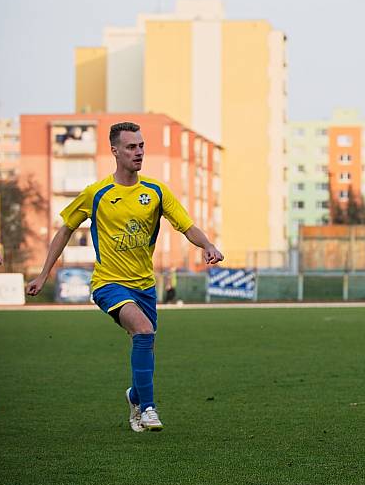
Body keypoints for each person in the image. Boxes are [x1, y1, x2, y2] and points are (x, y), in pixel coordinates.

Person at [26, 122, 224, 432]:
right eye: (131, 147)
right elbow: (65, 229)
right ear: (115, 151)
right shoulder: (97, 193)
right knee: (143, 330)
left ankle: (135, 395)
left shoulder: (155, 191)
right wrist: (43, 274)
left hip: (144, 286)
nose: (139, 152)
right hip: (108, 283)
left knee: (145, 342)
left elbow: (187, 226)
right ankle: (148, 408)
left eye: (142, 146)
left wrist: (208, 244)